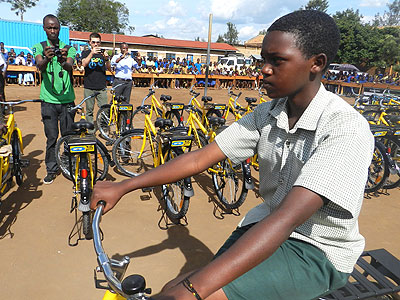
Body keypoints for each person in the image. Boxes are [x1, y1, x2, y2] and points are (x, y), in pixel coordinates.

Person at [90, 10, 374, 300]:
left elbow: (289, 218)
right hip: (266, 226)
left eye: (277, 61)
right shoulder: (269, 113)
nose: (264, 69)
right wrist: (123, 186)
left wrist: (194, 289)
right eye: (263, 60)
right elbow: (200, 158)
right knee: (170, 289)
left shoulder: (345, 128)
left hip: (316, 250)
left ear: (317, 63)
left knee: (196, 293)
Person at [32, 14, 76, 184]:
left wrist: (62, 58)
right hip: (48, 101)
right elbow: (39, 66)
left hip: (66, 100)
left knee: (68, 135)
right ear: (44, 28)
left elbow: (69, 66)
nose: (52, 30)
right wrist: (46, 57)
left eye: (55, 27)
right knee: (51, 137)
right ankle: (51, 169)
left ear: (59, 28)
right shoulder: (39, 47)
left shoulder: (68, 47)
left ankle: (69, 165)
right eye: (49, 27)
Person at [81, 32, 111, 132]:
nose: (96, 44)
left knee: (105, 109)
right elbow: (84, 64)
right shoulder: (85, 53)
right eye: (93, 42)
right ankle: (90, 131)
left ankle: (104, 129)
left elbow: (109, 68)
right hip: (89, 86)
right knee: (89, 110)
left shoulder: (103, 54)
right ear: (90, 42)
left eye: (98, 42)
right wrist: (92, 53)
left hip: (101, 86)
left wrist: (107, 59)